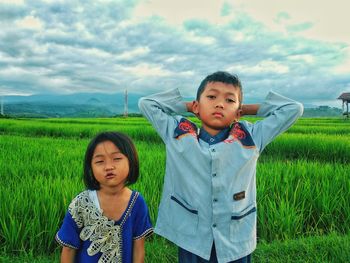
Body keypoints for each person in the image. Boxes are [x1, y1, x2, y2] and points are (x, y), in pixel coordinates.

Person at [138, 71, 303, 263]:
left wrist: (246, 109)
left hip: (235, 236)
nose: (220, 104)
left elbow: (294, 108)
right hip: (192, 236)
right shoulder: (177, 133)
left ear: (238, 111)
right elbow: (146, 104)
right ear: (197, 106)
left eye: (230, 100)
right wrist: (189, 106)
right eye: (211, 97)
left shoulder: (252, 136)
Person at [55, 131, 153, 263]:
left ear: (131, 161)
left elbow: (139, 247)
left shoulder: (137, 203)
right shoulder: (81, 203)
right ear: (90, 167)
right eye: (100, 161)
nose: (108, 167)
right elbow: (68, 249)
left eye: (117, 159)